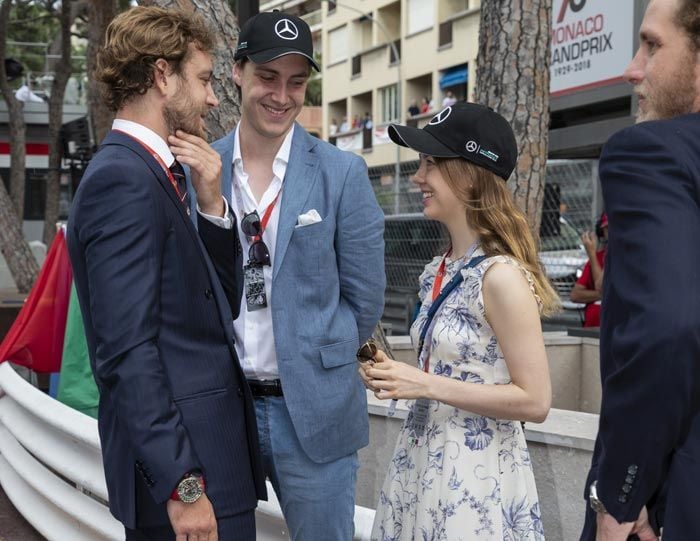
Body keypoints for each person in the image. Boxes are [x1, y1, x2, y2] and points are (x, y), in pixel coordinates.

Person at [66, 7, 266, 540]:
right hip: (187, 480)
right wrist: (184, 487)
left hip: (210, 466)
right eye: (202, 79)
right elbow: (127, 352)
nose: (213, 97)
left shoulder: (161, 174)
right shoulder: (123, 181)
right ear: (161, 76)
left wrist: (211, 206)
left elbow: (217, 308)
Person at [206, 11, 385, 540]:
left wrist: (322, 355)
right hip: (226, 409)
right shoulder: (202, 168)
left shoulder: (341, 173)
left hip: (315, 412)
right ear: (236, 72)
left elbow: (365, 296)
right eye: (267, 76)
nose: (281, 95)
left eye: (297, 82)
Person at [361, 102, 558, 540]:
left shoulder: (501, 275)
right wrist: (392, 375)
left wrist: (424, 383)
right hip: (421, 466)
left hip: (476, 481)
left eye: (431, 163)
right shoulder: (442, 268)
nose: (418, 177)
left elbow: (536, 400)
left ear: (469, 173)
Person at [580, 0, 700, 539]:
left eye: (652, 45)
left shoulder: (649, 153)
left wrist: (621, 497)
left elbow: (667, 331)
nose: (633, 67)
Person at [570, 212, 608, 327]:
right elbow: (576, 295)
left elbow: (602, 287)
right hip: (591, 328)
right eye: (607, 229)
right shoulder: (597, 258)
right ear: (602, 232)